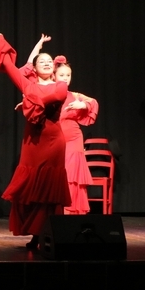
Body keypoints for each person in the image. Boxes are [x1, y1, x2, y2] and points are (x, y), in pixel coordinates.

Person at [0, 29, 70, 250]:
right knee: (30, 189)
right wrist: (0, 39)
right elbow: (7, 65)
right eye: (41, 60)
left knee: (48, 190)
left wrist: (31, 100)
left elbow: (59, 96)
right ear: (34, 66)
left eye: (49, 61)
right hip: (32, 142)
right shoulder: (28, 84)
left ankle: (47, 232)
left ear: (53, 67)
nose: (46, 62)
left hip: (53, 142)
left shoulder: (59, 84)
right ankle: (35, 233)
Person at [52, 56, 99, 215]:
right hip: (54, 140)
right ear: (53, 75)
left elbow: (93, 102)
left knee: (72, 177)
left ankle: (72, 212)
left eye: (68, 75)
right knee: (57, 177)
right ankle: (58, 213)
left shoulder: (75, 95)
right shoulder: (49, 92)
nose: (65, 78)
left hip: (73, 140)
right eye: (62, 75)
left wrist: (83, 104)